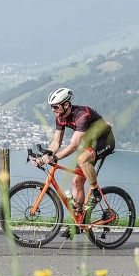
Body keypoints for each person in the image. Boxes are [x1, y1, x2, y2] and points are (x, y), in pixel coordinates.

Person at [33, 87, 115, 216]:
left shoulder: (82, 115)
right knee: (76, 182)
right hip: (90, 143)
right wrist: (43, 157)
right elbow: (56, 143)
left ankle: (95, 192)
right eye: (52, 107)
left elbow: (74, 145)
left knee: (82, 159)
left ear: (66, 104)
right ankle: (79, 220)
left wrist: (55, 158)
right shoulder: (60, 117)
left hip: (104, 140)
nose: (53, 110)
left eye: (55, 107)